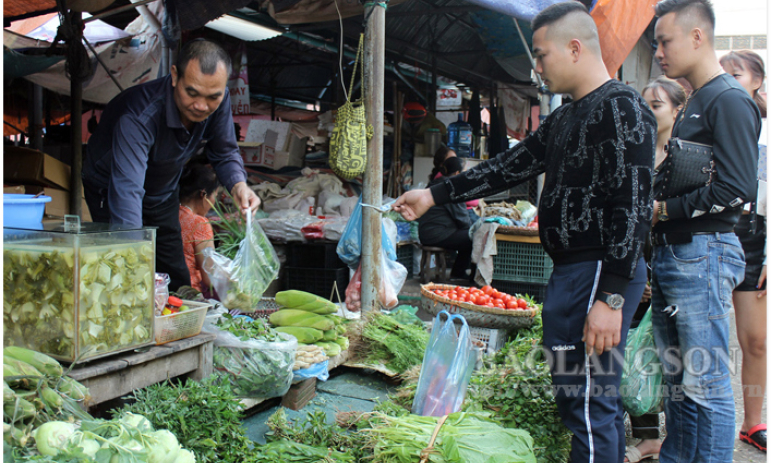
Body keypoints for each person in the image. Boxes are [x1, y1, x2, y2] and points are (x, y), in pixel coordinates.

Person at [393, 3, 655, 461]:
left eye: (541, 55)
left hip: (597, 272)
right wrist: (435, 195)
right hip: (573, 272)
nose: (536, 68)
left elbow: (632, 206)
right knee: (579, 399)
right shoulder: (566, 116)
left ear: (575, 49)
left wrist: (611, 299)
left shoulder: (622, 108)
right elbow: (506, 167)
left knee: (589, 403)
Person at [650, 0, 761, 461]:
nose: (658, 52)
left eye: (665, 41)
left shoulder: (730, 99)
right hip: (678, 253)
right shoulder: (697, 100)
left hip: (705, 252)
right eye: (655, 43)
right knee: (679, 381)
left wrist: (664, 210)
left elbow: (737, 187)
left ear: (698, 37)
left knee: (707, 383)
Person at [83, 39, 260, 291]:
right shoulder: (139, 116)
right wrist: (134, 260)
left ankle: (183, 321)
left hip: (163, 190)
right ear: (175, 76)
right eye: (192, 93)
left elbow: (224, 151)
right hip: (111, 188)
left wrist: (239, 186)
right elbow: (127, 192)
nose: (201, 106)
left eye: (213, 97)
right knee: (122, 269)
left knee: (175, 271)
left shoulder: (218, 101)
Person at [623, 76, 686, 463]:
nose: (647, 111)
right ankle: (646, 437)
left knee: (671, 360)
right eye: (643, 103)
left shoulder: (684, 159)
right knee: (634, 354)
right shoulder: (635, 153)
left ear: (677, 110)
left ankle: (666, 438)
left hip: (671, 266)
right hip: (632, 266)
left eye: (657, 104)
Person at [719, 49, 767, 453]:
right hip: (716, 229)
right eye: (724, 75)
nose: (729, 81)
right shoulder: (714, 117)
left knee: (755, 340)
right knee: (707, 339)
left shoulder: (765, 131)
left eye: (737, 74)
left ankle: (753, 424)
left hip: (755, 234)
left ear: (757, 82)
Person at [418, 156, 476, 281]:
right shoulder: (451, 189)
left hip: (425, 233)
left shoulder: (436, 184)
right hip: (437, 234)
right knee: (475, 236)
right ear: (457, 174)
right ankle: (461, 273)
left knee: (470, 234)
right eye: (465, 171)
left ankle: (458, 271)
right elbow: (463, 221)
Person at [178, 161, 219, 296]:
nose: (214, 202)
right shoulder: (199, 223)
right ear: (203, 195)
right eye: (215, 196)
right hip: (189, 296)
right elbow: (210, 278)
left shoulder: (169, 216)